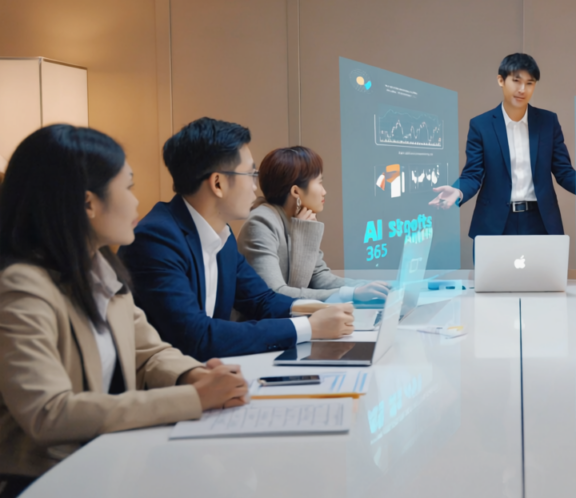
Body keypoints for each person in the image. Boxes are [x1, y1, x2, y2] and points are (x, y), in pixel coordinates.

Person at [0, 126, 248, 493]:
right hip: (50, 479)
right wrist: (193, 398)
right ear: (88, 202)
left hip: (110, 463)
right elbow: (48, 413)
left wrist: (195, 376)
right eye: (128, 187)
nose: (137, 202)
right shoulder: (22, 287)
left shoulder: (99, 269)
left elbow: (149, 353)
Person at [119, 118, 354, 360]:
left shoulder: (222, 234)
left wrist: (326, 310)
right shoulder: (157, 240)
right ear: (218, 183)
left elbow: (262, 300)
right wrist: (310, 327)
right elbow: (196, 336)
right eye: (251, 174)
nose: (255, 187)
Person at [429, 53, 576, 238]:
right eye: (516, 81)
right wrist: (458, 191)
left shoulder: (548, 122)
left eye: (529, 83)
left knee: (543, 268)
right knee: (493, 269)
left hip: (540, 221)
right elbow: (473, 174)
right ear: (501, 80)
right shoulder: (481, 125)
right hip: (495, 221)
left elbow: (563, 170)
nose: (522, 89)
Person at [238, 146, 389, 302]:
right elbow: (276, 294)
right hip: (262, 324)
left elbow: (319, 276)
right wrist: (352, 294)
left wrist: (370, 287)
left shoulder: (298, 219)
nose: (324, 192)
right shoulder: (261, 223)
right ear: (296, 192)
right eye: (319, 182)